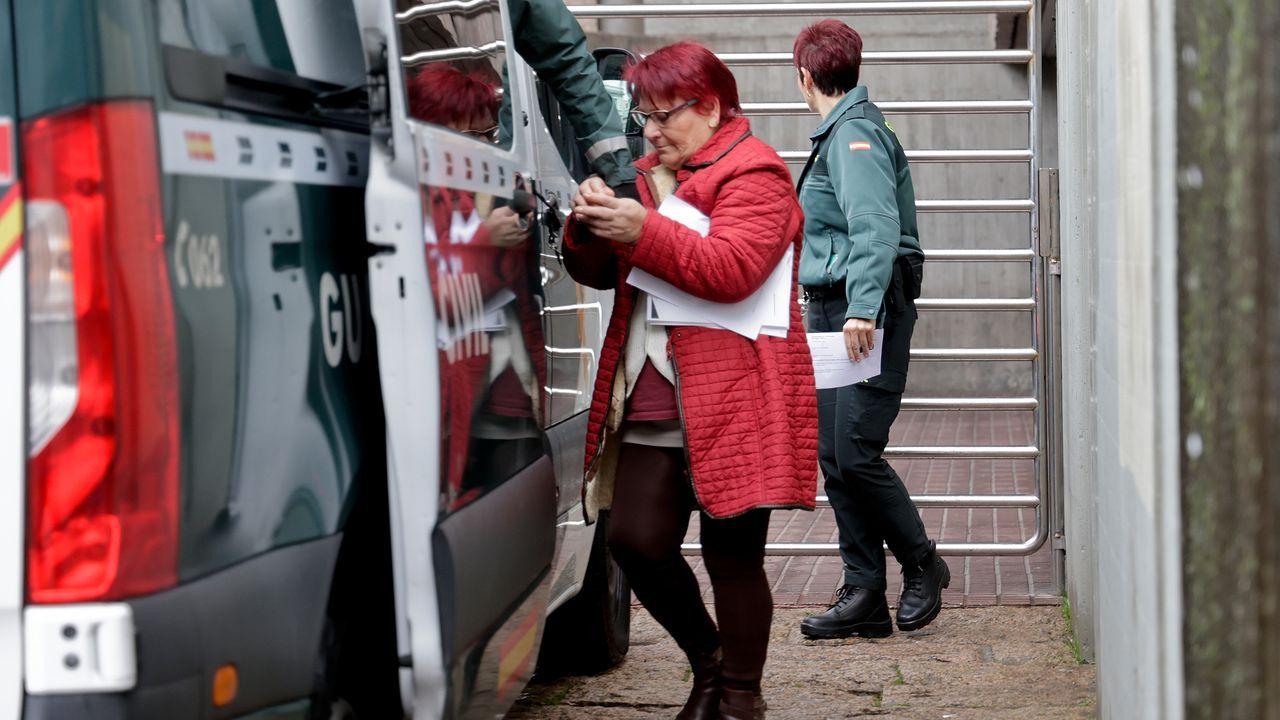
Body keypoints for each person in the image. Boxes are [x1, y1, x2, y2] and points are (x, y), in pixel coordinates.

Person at [564, 42, 817, 720]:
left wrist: (642, 229)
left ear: (708, 107)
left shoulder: (758, 174)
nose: (648, 131)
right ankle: (708, 665)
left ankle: (738, 697)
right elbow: (601, 272)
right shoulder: (643, 176)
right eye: (641, 115)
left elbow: (732, 269)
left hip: (736, 392)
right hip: (651, 387)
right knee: (633, 542)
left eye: (661, 115)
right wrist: (587, 224)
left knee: (732, 556)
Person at [791, 19, 951, 640]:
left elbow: (876, 226)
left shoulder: (854, 133)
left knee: (856, 449)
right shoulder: (844, 130)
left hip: (865, 308)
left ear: (805, 76)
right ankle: (863, 593)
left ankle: (922, 562)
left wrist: (862, 309)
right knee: (835, 454)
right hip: (835, 306)